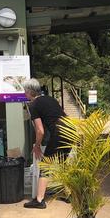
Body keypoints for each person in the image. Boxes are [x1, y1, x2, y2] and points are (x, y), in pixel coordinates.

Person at [22, 79, 70, 209]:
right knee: (63, 164)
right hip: (70, 131)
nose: (25, 93)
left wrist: (37, 146)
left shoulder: (34, 105)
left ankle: (39, 200)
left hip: (59, 133)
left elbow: (40, 130)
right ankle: (70, 194)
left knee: (45, 166)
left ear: (29, 92)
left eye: (25, 91)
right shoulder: (50, 99)